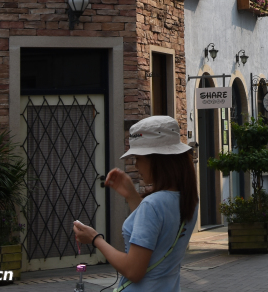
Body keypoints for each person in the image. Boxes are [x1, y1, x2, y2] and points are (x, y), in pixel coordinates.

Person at [73, 116, 198, 292]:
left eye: (138, 158)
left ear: (156, 159)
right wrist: (132, 196)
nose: (136, 164)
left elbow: (134, 270)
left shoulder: (153, 204)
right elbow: (158, 235)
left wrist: (95, 239)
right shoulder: (189, 199)